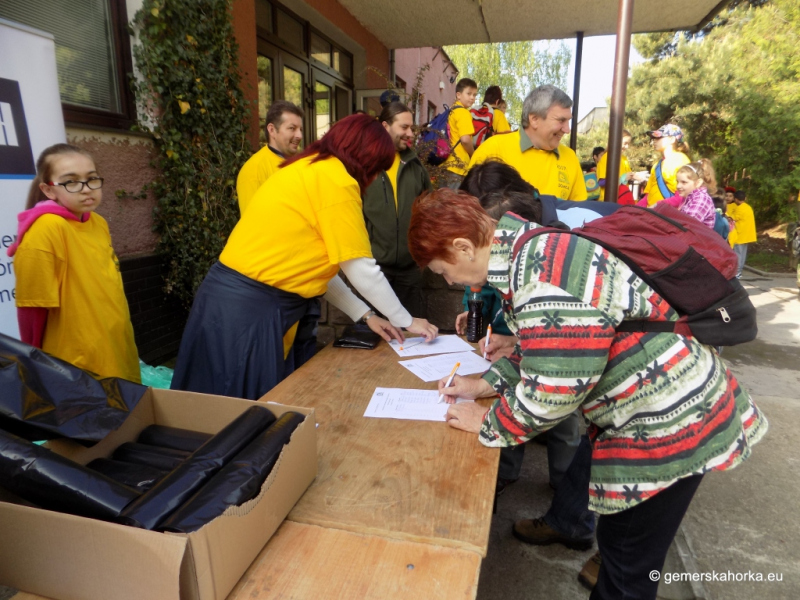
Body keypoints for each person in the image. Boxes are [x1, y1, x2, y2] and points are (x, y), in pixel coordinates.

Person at [407, 188, 767, 600]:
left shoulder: (540, 273)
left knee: (626, 570)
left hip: (668, 427)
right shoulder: (532, 248)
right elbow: (548, 345)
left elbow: (555, 389)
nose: (448, 280)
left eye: (442, 270)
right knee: (623, 554)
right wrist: (484, 385)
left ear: (463, 246)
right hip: (670, 411)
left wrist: (490, 423)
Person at [172, 114, 438, 400]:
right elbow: (361, 269)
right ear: (365, 159)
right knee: (241, 408)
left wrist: (366, 315)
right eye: (376, 169)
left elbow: (316, 269)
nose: (373, 179)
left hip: (226, 301)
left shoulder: (308, 168)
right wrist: (407, 321)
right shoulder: (336, 181)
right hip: (249, 312)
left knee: (209, 405)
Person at [9, 143, 140, 382]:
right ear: (48, 190)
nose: (86, 189)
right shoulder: (46, 230)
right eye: (71, 182)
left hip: (114, 346)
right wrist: (35, 364)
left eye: (91, 179)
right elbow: (32, 310)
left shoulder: (98, 222)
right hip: (76, 363)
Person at [362, 102, 433, 317]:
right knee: (375, 333)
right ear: (385, 126)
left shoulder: (415, 166)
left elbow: (430, 212)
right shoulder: (363, 166)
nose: (410, 133)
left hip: (410, 271)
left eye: (411, 128)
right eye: (404, 127)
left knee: (412, 332)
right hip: (374, 271)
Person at [469, 85, 587, 201]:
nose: (567, 129)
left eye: (568, 121)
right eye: (561, 120)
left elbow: (579, 210)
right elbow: (468, 207)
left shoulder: (570, 157)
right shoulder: (493, 149)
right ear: (534, 119)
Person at [236, 100, 304, 214]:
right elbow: (253, 220)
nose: (299, 135)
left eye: (300, 129)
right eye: (292, 128)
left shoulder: (301, 162)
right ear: (272, 130)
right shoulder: (255, 170)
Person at [634, 124, 690, 206]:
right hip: (652, 211)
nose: (654, 141)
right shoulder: (656, 165)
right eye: (654, 138)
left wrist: (657, 206)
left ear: (671, 139)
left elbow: (682, 197)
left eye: (659, 137)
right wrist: (635, 209)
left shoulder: (681, 160)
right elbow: (648, 196)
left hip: (666, 212)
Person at [442, 78, 479, 189]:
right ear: (458, 95)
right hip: (458, 166)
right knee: (455, 199)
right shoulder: (463, 113)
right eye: (469, 93)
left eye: (474, 95)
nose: (472, 97)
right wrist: (473, 154)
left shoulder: (450, 111)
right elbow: (465, 140)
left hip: (444, 163)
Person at [595, 130, 632, 201]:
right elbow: (601, 182)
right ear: (617, 140)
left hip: (622, 198)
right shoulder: (606, 157)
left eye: (628, 144)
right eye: (625, 143)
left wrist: (636, 176)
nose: (627, 147)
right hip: (608, 200)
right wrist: (621, 179)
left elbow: (628, 176)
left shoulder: (624, 158)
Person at [728, 189, 757, 278]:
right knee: (742, 254)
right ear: (745, 198)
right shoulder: (748, 207)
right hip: (747, 235)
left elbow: (731, 218)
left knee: (738, 254)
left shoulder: (740, 209)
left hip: (740, 236)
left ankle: (737, 272)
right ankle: (739, 271)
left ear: (736, 199)